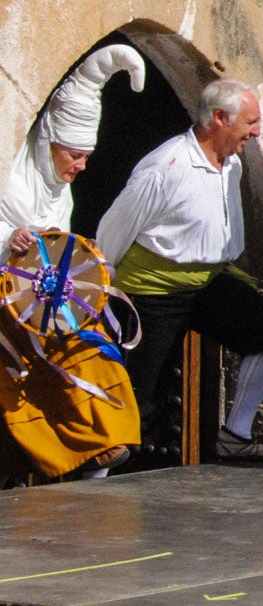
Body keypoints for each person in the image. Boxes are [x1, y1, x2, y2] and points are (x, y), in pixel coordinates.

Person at [97, 79, 263, 464]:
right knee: (139, 398)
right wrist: (104, 293)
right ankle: (96, 487)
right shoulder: (165, 167)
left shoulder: (232, 165)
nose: (257, 132)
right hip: (154, 290)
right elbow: (111, 233)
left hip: (207, 283)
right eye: (251, 122)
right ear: (220, 119)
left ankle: (234, 436)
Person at [0, 46, 145, 481]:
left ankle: (105, 445)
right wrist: (10, 240)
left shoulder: (59, 192)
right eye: (73, 155)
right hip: (8, 309)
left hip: (45, 307)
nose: (80, 166)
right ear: (48, 145)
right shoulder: (12, 179)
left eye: (86, 157)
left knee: (93, 353)